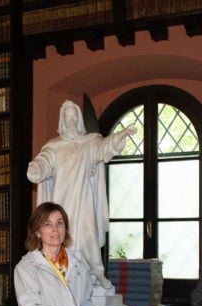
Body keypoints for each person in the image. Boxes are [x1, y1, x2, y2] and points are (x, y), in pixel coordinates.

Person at [27, 100, 137, 288]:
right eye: (67, 116)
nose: (70, 119)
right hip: (61, 202)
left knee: (88, 236)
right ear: (62, 120)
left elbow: (104, 148)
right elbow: (44, 162)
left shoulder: (89, 143)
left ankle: (95, 273)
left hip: (84, 199)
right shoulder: (54, 146)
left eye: (73, 115)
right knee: (60, 235)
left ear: (78, 119)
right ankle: (62, 273)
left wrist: (120, 136)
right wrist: (37, 168)